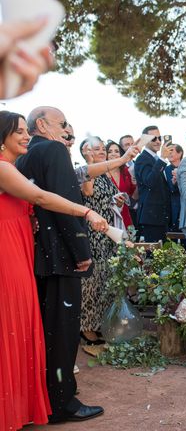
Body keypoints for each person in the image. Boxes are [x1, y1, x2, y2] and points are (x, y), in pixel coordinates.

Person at [16, 106, 105, 423]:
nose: (68, 130)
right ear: (42, 124)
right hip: (59, 255)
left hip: (35, 254)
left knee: (45, 332)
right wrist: (81, 250)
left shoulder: (23, 157)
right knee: (63, 332)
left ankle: (43, 399)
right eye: (62, 123)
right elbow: (64, 200)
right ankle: (62, 402)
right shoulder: (53, 150)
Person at [79, 137, 123, 345]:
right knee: (91, 282)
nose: (102, 151)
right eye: (96, 149)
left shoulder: (105, 175)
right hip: (91, 231)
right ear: (86, 152)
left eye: (103, 148)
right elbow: (87, 192)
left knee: (104, 279)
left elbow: (111, 197)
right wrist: (89, 160)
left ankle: (99, 324)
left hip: (107, 233)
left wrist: (118, 200)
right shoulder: (84, 171)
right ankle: (86, 327)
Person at [134, 126, 172, 242]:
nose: (158, 141)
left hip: (160, 217)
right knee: (153, 256)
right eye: (154, 138)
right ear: (145, 140)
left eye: (159, 138)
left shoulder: (156, 159)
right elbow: (149, 181)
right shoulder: (142, 159)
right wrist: (162, 158)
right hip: (151, 218)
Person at [106, 141, 136, 229]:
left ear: (121, 154)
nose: (113, 154)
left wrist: (136, 183)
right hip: (108, 215)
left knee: (127, 242)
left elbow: (134, 197)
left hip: (125, 215)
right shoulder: (101, 172)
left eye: (116, 151)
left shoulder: (126, 171)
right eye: (110, 151)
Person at [165, 143, 184, 233]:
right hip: (172, 208)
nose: (169, 153)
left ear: (180, 153)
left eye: (171, 150)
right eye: (167, 151)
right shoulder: (165, 169)